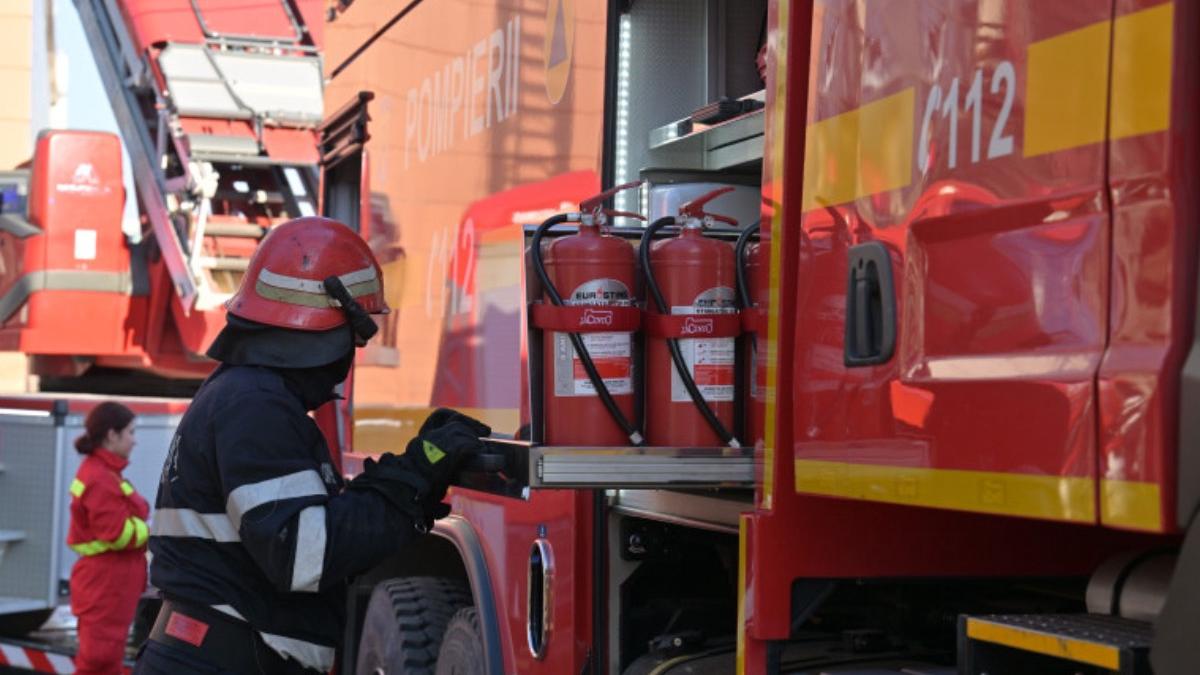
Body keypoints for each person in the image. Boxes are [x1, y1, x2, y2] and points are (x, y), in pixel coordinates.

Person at [134, 216, 488, 674]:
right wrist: (413, 477)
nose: (352, 352)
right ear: (325, 326)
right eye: (355, 334)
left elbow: (300, 534)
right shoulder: (255, 406)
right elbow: (305, 556)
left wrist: (403, 483)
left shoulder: (240, 395)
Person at [67, 401, 150, 675]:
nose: (134, 441)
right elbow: (118, 535)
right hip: (106, 584)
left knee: (106, 661)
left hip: (109, 582)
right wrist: (153, 530)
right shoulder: (101, 478)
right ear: (112, 435)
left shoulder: (104, 472)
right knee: (98, 660)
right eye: (130, 432)